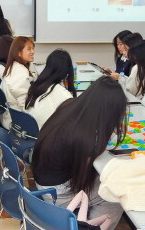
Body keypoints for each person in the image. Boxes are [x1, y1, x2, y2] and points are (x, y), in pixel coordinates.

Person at [32, 76, 126, 229]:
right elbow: (86, 176)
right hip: (56, 193)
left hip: (44, 180)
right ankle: (87, 227)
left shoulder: (69, 105)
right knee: (115, 192)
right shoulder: (86, 136)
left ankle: (87, 219)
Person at [25, 49, 77, 128]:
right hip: (45, 137)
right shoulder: (64, 95)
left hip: (31, 133)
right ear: (67, 71)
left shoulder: (38, 85)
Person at [0, 36, 36, 111]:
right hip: (15, 118)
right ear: (19, 53)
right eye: (29, 49)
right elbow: (25, 105)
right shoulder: (20, 71)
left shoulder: (13, 66)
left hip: (11, 113)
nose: (33, 51)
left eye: (33, 48)